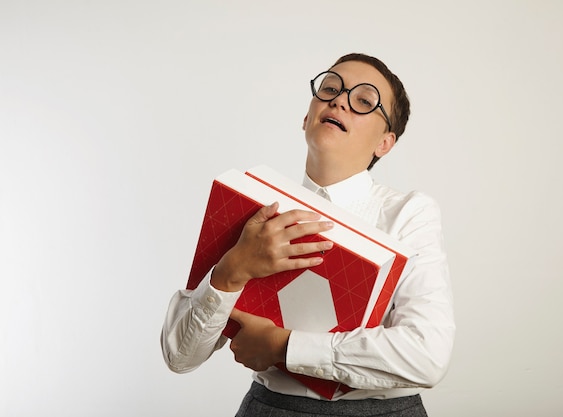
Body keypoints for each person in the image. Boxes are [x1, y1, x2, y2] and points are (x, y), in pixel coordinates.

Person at [161, 53, 455, 416]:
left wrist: (285, 347)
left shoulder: (409, 213)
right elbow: (179, 356)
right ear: (306, 117)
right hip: (269, 408)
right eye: (330, 88)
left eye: (364, 101)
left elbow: (427, 355)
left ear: (385, 143)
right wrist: (231, 271)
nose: (339, 99)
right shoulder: (253, 212)